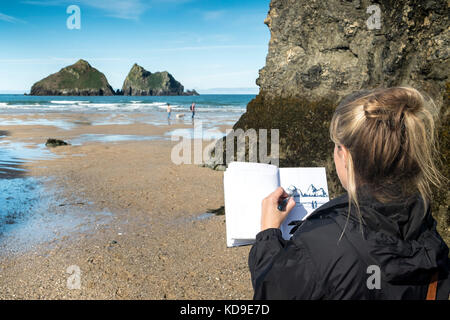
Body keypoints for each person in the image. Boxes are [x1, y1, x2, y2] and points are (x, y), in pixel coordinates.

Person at [249, 87, 449, 300]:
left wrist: (268, 234)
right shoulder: (429, 236)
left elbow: (270, 293)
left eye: (336, 146)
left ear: (344, 154)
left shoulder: (320, 246)